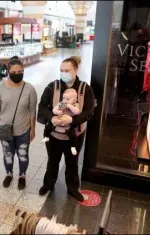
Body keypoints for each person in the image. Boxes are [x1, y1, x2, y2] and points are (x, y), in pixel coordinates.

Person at [37, 56, 95, 202]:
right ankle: (48, 184)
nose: (64, 73)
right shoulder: (53, 86)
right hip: (54, 135)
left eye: (67, 70)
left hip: (74, 135)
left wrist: (73, 120)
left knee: (72, 162)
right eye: (61, 70)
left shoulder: (84, 89)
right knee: (52, 160)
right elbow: (42, 107)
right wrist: (52, 118)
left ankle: (73, 188)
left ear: (75, 69)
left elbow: (89, 112)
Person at [0, 59, 38, 190]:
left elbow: (32, 111)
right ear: (8, 72)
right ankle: (9, 174)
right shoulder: (0, 87)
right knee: (8, 154)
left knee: (23, 155)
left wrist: (33, 129)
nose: (18, 74)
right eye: (14, 72)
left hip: (24, 129)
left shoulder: (29, 89)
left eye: (20, 72)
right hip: (4, 128)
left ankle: (22, 175)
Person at [43, 88, 80, 156]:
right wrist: (57, 111)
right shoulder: (62, 103)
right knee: (48, 126)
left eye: (68, 99)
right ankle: (46, 136)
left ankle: (73, 147)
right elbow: (54, 110)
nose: (65, 100)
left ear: (74, 100)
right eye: (64, 98)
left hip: (68, 124)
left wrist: (70, 106)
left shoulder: (75, 105)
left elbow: (77, 112)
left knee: (72, 135)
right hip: (59, 120)